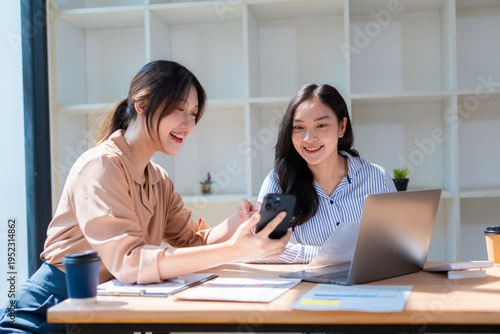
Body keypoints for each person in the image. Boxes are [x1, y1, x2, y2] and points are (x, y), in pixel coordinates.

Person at [0, 60, 290, 334]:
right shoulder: (101, 165)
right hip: (46, 313)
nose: (188, 124)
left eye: (193, 113)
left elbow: (194, 241)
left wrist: (241, 220)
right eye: (179, 109)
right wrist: (236, 250)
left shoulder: (158, 178)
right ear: (142, 105)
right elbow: (130, 263)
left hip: (102, 310)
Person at [256, 83, 396, 264]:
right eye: (299, 127)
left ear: (342, 127)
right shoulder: (279, 182)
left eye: (321, 125)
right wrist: (326, 256)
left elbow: (395, 246)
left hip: (368, 285)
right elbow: (260, 247)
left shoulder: (377, 178)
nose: (309, 138)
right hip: (307, 289)